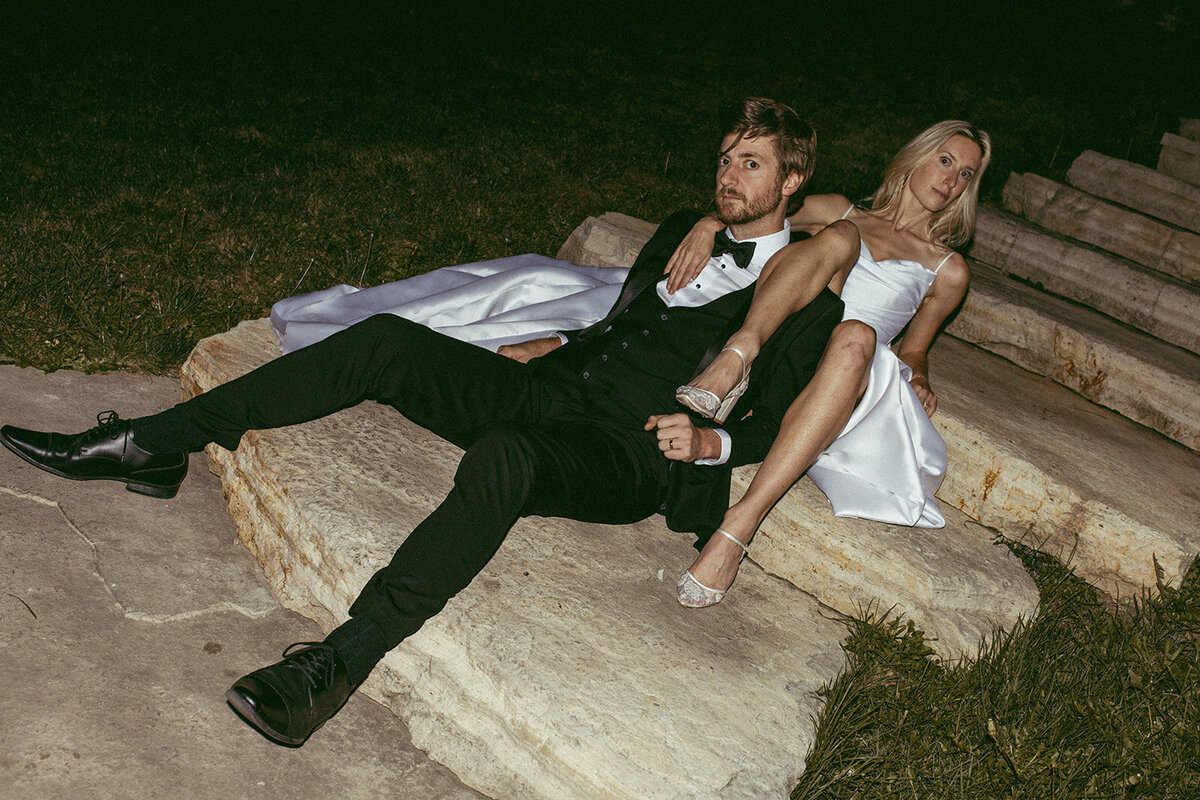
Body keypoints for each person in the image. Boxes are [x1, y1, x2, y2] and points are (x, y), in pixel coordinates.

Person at [1, 97, 860, 747]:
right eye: (724, 160)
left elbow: (782, 419)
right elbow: (631, 319)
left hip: (627, 451)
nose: (728, 175)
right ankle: (154, 443)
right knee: (384, 342)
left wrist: (712, 440)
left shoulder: (808, 301)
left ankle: (340, 660)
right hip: (555, 388)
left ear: (792, 183)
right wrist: (562, 336)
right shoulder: (686, 229)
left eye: (750, 165)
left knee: (507, 458)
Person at [665, 120, 991, 607]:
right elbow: (756, 213)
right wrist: (710, 223)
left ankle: (738, 527)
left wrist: (919, 373)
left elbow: (916, 348)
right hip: (792, 338)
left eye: (966, 174)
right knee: (841, 236)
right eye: (945, 160)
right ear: (916, 156)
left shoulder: (948, 268)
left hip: (846, 370)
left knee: (857, 334)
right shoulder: (841, 210)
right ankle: (737, 356)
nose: (951, 180)